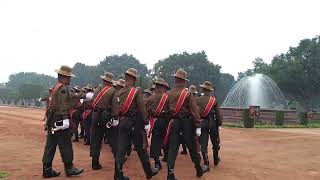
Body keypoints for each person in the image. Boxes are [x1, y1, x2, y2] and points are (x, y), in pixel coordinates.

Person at [112, 68, 159, 180]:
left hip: (122, 122)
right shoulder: (136, 91)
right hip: (134, 124)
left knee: (121, 150)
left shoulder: (119, 92)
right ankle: (149, 172)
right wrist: (147, 122)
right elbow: (142, 108)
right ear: (133, 79)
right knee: (141, 149)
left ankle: (118, 174)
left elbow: (116, 108)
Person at [42, 65, 85, 178]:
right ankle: (69, 168)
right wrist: (65, 119)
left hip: (52, 118)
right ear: (64, 77)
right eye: (69, 77)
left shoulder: (57, 86)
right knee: (65, 143)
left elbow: (71, 96)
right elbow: (62, 105)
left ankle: (47, 170)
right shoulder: (63, 88)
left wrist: (84, 95)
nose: (70, 79)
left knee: (50, 145)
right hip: (60, 118)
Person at [164, 69, 206, 180]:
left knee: (173, 149)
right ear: (184, 81)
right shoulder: (187, 94)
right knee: (192, 147)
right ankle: (198, 169)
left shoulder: (168, 93)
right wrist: (198, 126)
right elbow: (194, 111)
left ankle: (170, 174)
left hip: (174, 122)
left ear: (175, 80)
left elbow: (166, 111)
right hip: (187, 123)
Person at [90, 72, 116, 170]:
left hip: (95, 114)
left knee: (96, 138)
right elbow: (114, 107)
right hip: (106, 116)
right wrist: (115, 117)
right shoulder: (112, 91)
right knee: (112, 138)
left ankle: (95, 162)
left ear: (103, 80)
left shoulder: (97, 89)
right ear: (110, 82)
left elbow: (93, 101)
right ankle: (118, 158)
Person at [197, 81, 223, 170]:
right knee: (215, 142)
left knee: (203, 144)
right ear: (210, 91)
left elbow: (196, 113)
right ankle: (216, 159)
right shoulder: (214, 100)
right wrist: (219, 123)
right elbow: (218, 113)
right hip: (212, 123)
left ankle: (206, 163)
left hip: (202, 122)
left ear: (203, 89)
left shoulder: (198, 99)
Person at [147, 78, 170, 171]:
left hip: (154, 121)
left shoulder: (150, 98)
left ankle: (157, 162)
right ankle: (167, 157)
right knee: (166, 139)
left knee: (155, 141)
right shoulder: (167, 97)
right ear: (163, 87)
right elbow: (170, 110)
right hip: (164, 121)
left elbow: (147, 111)